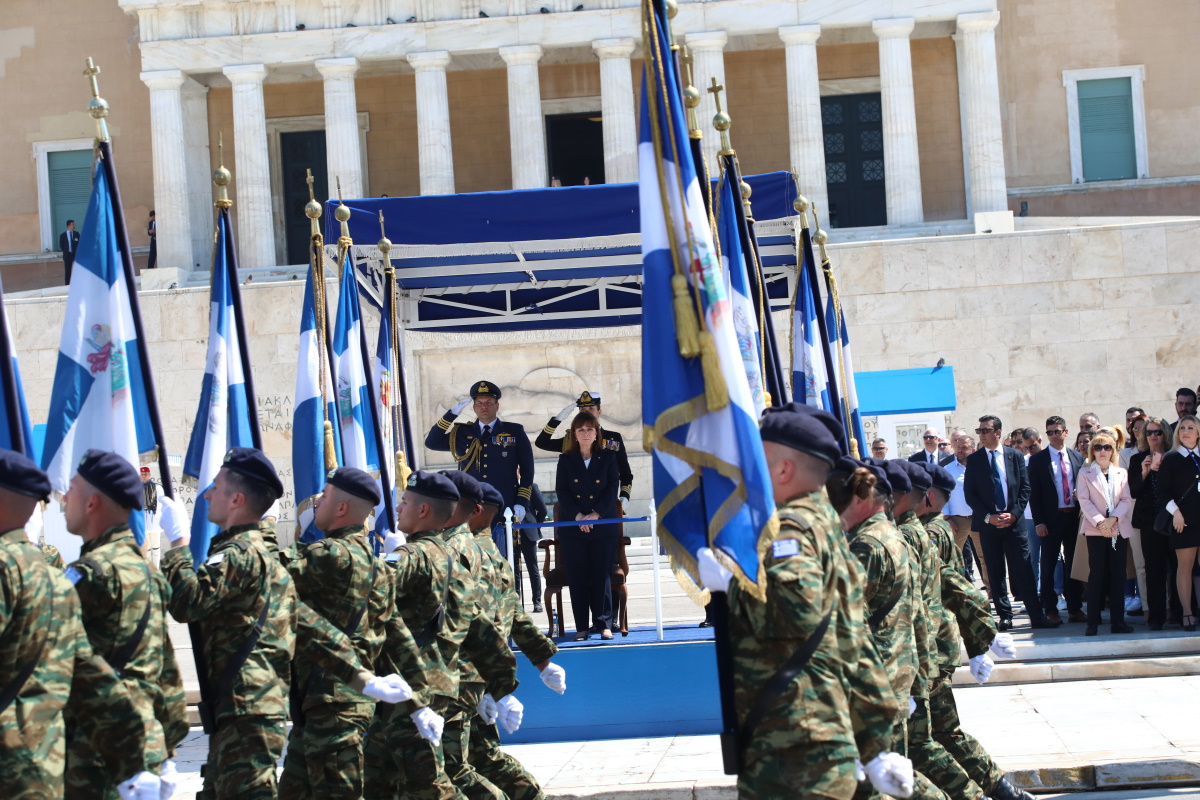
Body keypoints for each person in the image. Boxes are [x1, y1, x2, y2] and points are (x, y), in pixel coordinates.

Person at [162, 448, 411, 799]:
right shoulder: (256, 555)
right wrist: (365, 679)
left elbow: (187, 602)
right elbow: (311, 626)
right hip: (267, 704)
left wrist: (178, 545)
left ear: (236, 498)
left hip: (257, 705)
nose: (206, 494)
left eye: (214, 486)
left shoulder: (252, 555)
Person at [698, 404, 910, 800]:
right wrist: (875, 740)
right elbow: (853, 637)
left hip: (794, 747)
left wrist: (734, 583)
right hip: (814, 740)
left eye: (755, 460)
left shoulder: (792, 526)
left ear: (782, 471)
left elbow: (798, 612)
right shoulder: (828, 525)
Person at [0, 449, 163, 799]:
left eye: (72, 489)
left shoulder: (8, 568)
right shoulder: (56, 579)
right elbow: (91, 673)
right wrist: (139, 759)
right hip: (42, 762)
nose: (65, 498)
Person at [277, 466, 430, 800]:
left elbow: (263, 575)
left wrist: (261, 526)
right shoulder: (376, 565)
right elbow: (396, 637)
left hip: (332, 699)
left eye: (325, 497)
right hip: (335, 699)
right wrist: (418, 702)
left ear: (342, 508)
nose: (316, 503)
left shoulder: (326, 555)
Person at [61, 450, 188, 799]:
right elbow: (167, 670)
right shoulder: (145, 570)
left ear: (92, 504)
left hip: (96, 748)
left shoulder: (90, 574)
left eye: (71, 489)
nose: (63, 498)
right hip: (142, 738)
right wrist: (166, 751)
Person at [468, 481, 566, 800]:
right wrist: (543, 662)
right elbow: (515, 616)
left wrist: (493, 687)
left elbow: (486, 625)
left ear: (475, 510)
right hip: (473, 680)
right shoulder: (491, 556)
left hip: (466, 680)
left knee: (471, 762)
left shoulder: (471, 556)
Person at [962, 415, 1060, 630]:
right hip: (989, 525)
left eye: (985, 430)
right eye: (979, 431)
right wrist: (989, 517)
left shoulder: (1015, 456)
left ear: (998, 433)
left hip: (1014, 524)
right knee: (996, 572)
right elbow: (970, 494)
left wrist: (1014, 514)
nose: (982, 434)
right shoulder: (975, 459)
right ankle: (1005, 616)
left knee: (1024, 569)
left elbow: (1025, 489)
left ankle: (1036, 615)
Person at [425, 381, 534, 532]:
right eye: (479, 403)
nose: (484, 407)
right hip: (471, 505)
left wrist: (522, 501)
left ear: (497, 405)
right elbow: (432, 442)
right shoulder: (462, 433)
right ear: (474, 407)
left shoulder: (514, 431)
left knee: (506, 551)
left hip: (504, 504)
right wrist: (451, 415)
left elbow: (527, 470)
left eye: (489, 402)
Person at [555, 411, 621, 640]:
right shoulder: (566, 459)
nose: (585, 433)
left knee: (602, 575)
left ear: (596, 433)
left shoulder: (608, 457)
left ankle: (603, 624)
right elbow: (562, 492)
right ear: (574, 433)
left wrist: (595, 514)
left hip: (602, 526)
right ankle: (581, 626)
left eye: (589, 429)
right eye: (581, 429)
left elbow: (613, 488)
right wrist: (578, 517)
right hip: (574, 529)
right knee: (578, 576)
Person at [1076, 428, 1135, 636]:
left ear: (1113, 451)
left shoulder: (1121, 473)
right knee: (1096, 575)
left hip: (1117, 528)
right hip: (1096, 530)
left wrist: (1113, 520)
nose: (1102, 451)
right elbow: (1084, 501)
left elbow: (1127, 500)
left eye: (1107, 447)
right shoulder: (1085, 472)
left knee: (1118, 576)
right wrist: (1102, 523)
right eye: (1098, 447)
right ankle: (1092, 622)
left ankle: (1118, 622)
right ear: (1093, 451)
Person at [1028, 416, 1086, 625]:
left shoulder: (1077, 457)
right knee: (1049, 564)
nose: (1053, 435)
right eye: (1049, 432)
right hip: (1050, 520)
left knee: (1073, 564)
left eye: (1057, 431)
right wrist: (1039, 522)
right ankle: (1050, 608)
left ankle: (1074, 608)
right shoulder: (1038, 460)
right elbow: (1033, 494)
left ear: (1065, 432)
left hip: (1073, 517)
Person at [536, 391, 633, 508]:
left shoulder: (612, 438)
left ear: (599, 412)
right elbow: (541, 443)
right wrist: (556, 420)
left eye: (591, 408)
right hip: (577, 504)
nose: (587, 413)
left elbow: (625, 472)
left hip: (604, 504)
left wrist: (624, 495)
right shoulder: (571, 439)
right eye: (582, 410)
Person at [1129, 416, 1182, 630]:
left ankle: (1180, 613)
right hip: (1150, 522)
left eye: (1157, 432)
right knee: (1154, 570)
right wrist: (1144, 472)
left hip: (1175, 520)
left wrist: (1162, 471)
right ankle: (1156, 617)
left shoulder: (1175, 457)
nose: (1153, 436)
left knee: (1179, 568)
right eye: (1149, 432)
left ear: (1166, 435)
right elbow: (1133, 491)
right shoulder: (1137, 459)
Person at [1160, 414, 1200, 631]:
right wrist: (1175, 512)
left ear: (1198, 432)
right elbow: (1162, 491)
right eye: (1182, 428)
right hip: (1182, 521)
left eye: (1190, 427)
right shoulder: (1171, 458)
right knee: (1184, 568)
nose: (1185, 431)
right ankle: (1186, 613)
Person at [943, 434, 990, 595]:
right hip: (957, 520)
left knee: (985, 557)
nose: (960, 450)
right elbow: (944, 495)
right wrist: (947, 517)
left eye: (964, 448)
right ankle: (954, 593)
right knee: (953, 558)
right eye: (958, 447)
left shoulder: (981, 468)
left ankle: (992, 591)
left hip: (979, 518)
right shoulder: (948, 470)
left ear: (973, 449)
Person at [518, 483, 547, 613]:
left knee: (532, 567)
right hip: (512, 532)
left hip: (528, 532)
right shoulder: (507, 485)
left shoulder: (531, 486)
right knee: (514, 569)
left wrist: (536, 526)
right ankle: (516, 602)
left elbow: (543, 510)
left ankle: (537, 601)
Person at [140, 466, 166, 567]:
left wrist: (157, 519)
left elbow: (160, 504)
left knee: (156, 547)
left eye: (146, 474)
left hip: (154, 520)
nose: (144, 476)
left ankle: (156, 568)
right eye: (142, 474)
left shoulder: (157, 487)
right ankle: (149, 569)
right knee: (147, 548)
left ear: (149, 474)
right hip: (143, 521)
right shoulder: (137, 488)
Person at [60, 219, 81, 285]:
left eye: (74, 224)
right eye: (72, 224)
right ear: (69, 225)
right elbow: (61, 245)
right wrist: (67, 251)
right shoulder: (62, 235)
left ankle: (77, 283)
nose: (74, 225)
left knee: (77, 270)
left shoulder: (76, 234)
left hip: (75, 255)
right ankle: (67, 284)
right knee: (67, 270)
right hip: (67, 255)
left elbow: (79, 243)